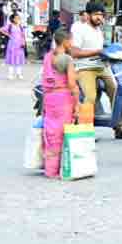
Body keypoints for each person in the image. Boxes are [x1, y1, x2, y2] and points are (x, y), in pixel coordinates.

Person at [71, 2, 122, 130]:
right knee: (90, 97)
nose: (99, 17)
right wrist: (97, 52)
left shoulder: (99, 30)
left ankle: (118, 126)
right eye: (96, 14)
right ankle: (85, 130)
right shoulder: (79, 29)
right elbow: (75, 52)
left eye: (101, 15)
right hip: (85, 68)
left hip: (102, 66)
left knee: (116, 91)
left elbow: (101, 49)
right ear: (88, 15)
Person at [41, 28, 79, 179]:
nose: (72, 43)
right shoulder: (67, 59)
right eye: (71, 40)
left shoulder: (48, 57)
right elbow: (72, 84)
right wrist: (77, 103)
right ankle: (60, 169)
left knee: (50, 131)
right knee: (62, 133)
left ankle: (50, 169)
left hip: (49, 98)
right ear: (65, 41)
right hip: (63, 98)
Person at [1, 12, 28, 80]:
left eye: (18, 18)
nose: (17, 19)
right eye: (16, 18)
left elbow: (23, 35)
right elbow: (1, 30)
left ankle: (19, 74)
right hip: (12, 44)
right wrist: (8, 35)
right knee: (11, 59)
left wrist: (23, 42)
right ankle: (10, 74)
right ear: (12, 19)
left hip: (19, 45)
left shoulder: (20, 26)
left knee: (19, 59)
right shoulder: (9, 26)